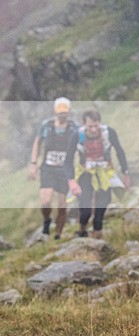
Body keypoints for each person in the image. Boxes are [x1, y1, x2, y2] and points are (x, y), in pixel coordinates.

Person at [65, 109, 130, 239]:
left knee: (104, 202)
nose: (94, 129)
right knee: (85, 210)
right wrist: (71, 181)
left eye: (96, 126)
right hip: (85, 172)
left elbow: (119, 151)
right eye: (90, 126)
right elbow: (68, 160)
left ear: (99, 123)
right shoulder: (77, 136)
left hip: (104, 171)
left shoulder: (109, 133)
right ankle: (82, 228)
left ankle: (97, 232)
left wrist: (125, 172)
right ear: (84, 124)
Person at [28, 97, 80, 240]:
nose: (62, 115)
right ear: (55, 112)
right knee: (45, 200)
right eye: (60, 112)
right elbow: (37, 142)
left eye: (65, 112)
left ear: (69, 112)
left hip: (65, 170)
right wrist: (33, 163)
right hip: (48, 168)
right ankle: (46, 220)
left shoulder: (74, 127)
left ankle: (57, 234)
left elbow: (82, 144)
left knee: (62, 205)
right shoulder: (47, 126)